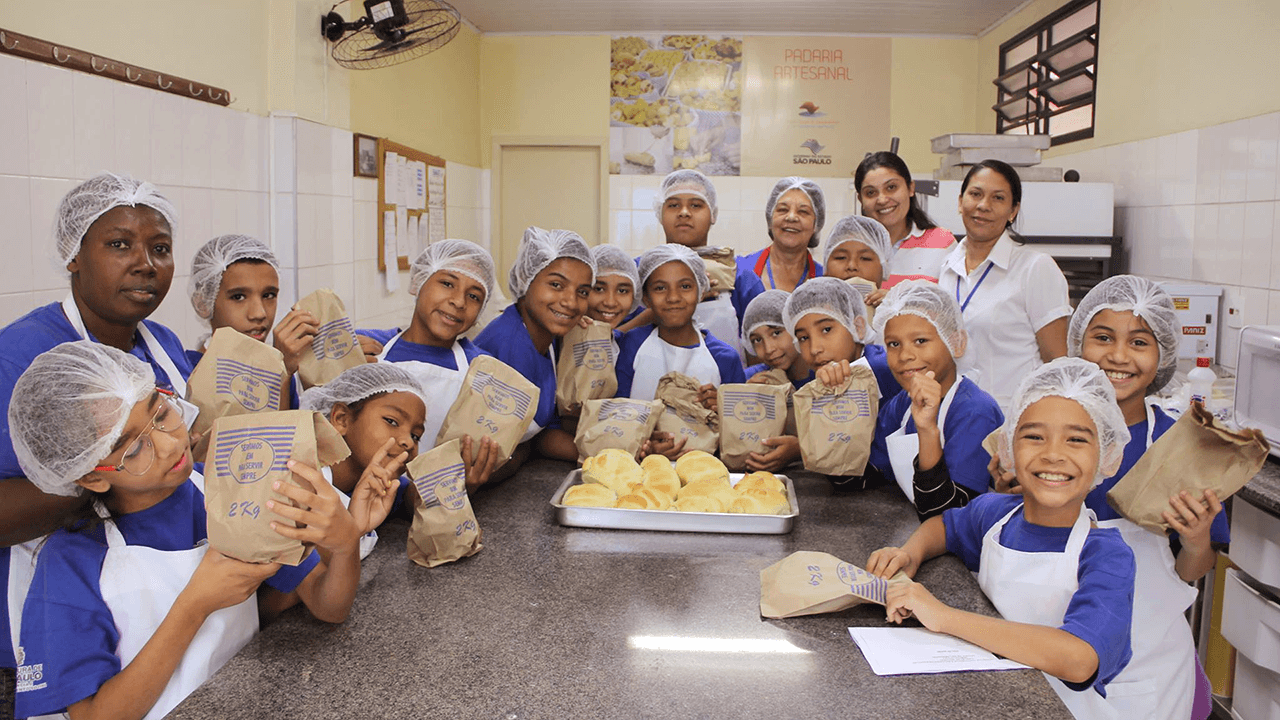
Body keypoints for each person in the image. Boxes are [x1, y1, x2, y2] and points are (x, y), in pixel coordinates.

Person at [11, 341, 388, 720]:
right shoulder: (71, 562)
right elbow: (94, 716)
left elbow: (329, 606)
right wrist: (195, 604)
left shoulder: (228, 486)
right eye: (135, 448)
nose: (168, 442)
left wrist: (343, 544)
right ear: (93, 476)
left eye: (160, 413)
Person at [0, 173, 192, 696]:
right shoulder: (18, 358)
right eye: (118, 244)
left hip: (158, 610)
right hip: (50, 623)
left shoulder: (163, 346)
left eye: (160, 248)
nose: (145, 263)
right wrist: (111, 474)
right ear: (73, 256)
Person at [868, 357, 1136, 720]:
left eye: (1076, 440)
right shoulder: (995, 513)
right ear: (1008, 448)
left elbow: (1079, 659)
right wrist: (909, 554)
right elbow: (944, 526)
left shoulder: (1106, 556)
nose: (1053, 454)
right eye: (1034, 437)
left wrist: (943, 616)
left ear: (1106, 456)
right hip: (992, 702)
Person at [1066, 275, 1222, 720]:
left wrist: (1196, 541)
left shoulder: (1180, 447)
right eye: (1102, 337)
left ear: (1163, 356)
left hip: (1149, 664)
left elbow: (1191, 570)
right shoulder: (1048, 428)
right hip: (1053, 644)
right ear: (1079, 342)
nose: (1118, 356)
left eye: (1139, 342)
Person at [352, 241, 502, 490]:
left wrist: (472, 479)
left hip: (435, 504)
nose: (459, 301)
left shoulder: (483, 370)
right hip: (358, 497)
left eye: (474, 296)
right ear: (418, 283)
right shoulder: (366, 348)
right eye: (447, 283)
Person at [938, 159, 1071, 411]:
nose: (983, 206)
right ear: (960, 201)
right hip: (953, 414)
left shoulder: (1035, 268)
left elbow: (1057, 361)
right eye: (975, 194)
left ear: (1013, 211)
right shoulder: (947, 266)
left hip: (1010, 416)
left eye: (998, 198)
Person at [865, 281, 1003, 520]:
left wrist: (927, 429)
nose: (906, 355)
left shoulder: (975, 412)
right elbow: (868, 474)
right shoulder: (902, 404)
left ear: (957, 343)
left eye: (920, 341)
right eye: (893, 344)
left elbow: (947, 513)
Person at [474, 227, 596, 464]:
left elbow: (542, 432)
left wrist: (599, 457)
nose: (571, 302)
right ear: (525, 281)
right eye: (556, 285)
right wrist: (523, 452)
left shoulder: (544, 337)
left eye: (582, 292)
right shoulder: (506, 346)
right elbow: (489, 455)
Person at [619, 170, 765, 352]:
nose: (684, 212)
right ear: (660, 214)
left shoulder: (738, 275)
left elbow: (764, 344)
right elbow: (610, 341)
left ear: (712, 214)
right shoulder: (636, 273)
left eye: (696, 205)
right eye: (673, 205)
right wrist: (660, 312)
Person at [300, 362, 430, 556]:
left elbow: (411, 497)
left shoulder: (381, 487)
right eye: (392, 421)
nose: (408, 443)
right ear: (341, 419)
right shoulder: (297, 487)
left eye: (416, 435)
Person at [187, 234, 317, 409]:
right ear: (202, 303)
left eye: (268, 295)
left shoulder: (279, 368)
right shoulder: (187, 373)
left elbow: (291, 434)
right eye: (238, 297)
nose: (259, 313)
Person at [617, 244, 745, 403]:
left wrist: (722, 408)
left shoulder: (724, 358)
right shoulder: (632, 343)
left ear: (701, 292)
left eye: (685, 286)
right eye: (660, 288)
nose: (673, 297)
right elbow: (616, 409)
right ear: (645, 298)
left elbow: (739, 421)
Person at [783, 277, 899, 402]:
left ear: (858, 327)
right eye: (803, 338)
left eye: (826, 330)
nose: (814, 349)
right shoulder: (819, 375)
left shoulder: (883, 370)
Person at [854, 152, 956, 287]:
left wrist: (895, 299)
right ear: (861, 199)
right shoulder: (851, 246)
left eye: (891, 187)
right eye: (871, 192)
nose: (882, 199)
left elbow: (952, 303)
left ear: (910, 188)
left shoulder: (942, 242)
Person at [740, 290, 808, 472]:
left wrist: (801, 448)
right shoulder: (752, 379)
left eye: (776, 332)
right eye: (757, 340)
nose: (768, 349)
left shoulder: (824, 376)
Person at [737, 177, 825, 293]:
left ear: (816, 225)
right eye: (783, 209)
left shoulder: (824, 280)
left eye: (803, 211)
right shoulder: (740, 272)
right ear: (770, 219)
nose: (791, 217)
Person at [586, 244, 640, 358]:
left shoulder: (627, 346)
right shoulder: (559, 341)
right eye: (598, 289)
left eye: (622, 291)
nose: (610, 302)